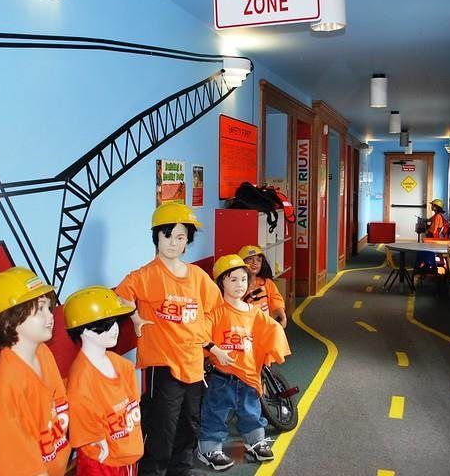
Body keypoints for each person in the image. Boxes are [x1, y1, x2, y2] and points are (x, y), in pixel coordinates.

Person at [116, 202, 229, 476]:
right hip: (163, 366)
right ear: (156, 236)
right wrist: (134, 318)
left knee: (189, 426)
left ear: (187, 241)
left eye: (180, 237)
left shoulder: (198, 277)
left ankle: (182, 471)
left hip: (193, 365)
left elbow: (215, 309)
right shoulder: (145, 275)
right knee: (161, 430)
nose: (172, 242)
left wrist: (204, 339)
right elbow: (119, 297)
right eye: (167, 235)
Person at [198, 255, 290, 471]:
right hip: (223, 377)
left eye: (242, 280)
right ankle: (209, 448)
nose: (239, 285)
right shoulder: (216, 312)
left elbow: (272, 330)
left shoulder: (254, 313)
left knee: (251, 411)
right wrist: (214, 348)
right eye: (233, 280)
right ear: (221, 283)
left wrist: (273, 347)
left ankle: (255, 441)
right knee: (215, 413)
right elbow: (200, 332)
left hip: (248, 375)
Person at [0, 266, 71, 476]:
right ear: (8, 320)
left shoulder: (42, 352)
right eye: (39, 309)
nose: (50, 316)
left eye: (48, 307)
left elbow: (59, 408)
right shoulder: (5, 384)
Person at [64, 286, 142, 476]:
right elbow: (86, 430)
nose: (114, 329)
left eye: (114, 321)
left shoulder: (122, 365)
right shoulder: (81, 381)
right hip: (102, 463)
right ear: (84, 331)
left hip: (129, 455)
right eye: (105, 324)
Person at [237, 244, 287, 328]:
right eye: (250, 259)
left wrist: (283, 317)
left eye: (258, 260)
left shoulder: (267, 283)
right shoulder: (236, 285)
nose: (255, 263)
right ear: (242, 262)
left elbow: (276, 301)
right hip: (244, 327)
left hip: (265, 327)